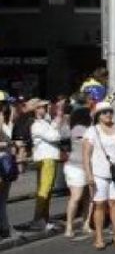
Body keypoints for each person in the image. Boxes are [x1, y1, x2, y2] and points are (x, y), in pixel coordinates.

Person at [83, 102, 115, 249]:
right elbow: (86, 155)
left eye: (110, 111)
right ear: (98, 116)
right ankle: (99, 237)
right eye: (104, 112)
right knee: (100, 205)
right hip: (99, 174)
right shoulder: (92, 131)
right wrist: (89, 174)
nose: (108, 114)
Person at [28, 98, 64, 232]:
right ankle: (38, 220)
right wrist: (57, 124)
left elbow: (54, 130)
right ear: (36, 109)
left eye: (45, 106)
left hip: (48, 158)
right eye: (42, 107)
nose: (46, 108)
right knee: (44, 190)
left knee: (46, 190)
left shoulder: (44, 122)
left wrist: (58, 117)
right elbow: (55, 137)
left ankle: (44, 218)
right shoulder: (37, 125)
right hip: (46, 159)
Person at [63, 106, 93, 237]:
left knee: (89, 197)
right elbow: (86, 144)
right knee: (76, 196)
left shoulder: (88, 129)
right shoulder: (79, 129)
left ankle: (86, 223)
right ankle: (69, 226)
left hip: (88, 166)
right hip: (76, 166)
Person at [0, 102, 14, 237]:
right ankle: (4, 227)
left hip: (5, 163)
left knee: (3, 199)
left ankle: (5, 227)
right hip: (4, 161)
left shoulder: (7, 124)